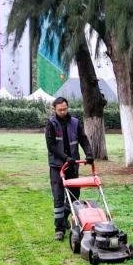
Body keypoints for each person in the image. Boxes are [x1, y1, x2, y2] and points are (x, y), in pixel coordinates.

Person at [45, 97, 93, 241]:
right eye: (60, 110)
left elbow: (83, 139)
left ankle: (65, 218)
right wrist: (66, 158)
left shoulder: (75, 122)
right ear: (55, 109)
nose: (63, 111)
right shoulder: (51, 124)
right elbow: (51, 146)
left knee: (74, 195)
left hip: (72, 165)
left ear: (68, 107)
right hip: (57, 166)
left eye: (65, 109)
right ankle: (59, 229)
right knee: (58, 197)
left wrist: (89, 154)